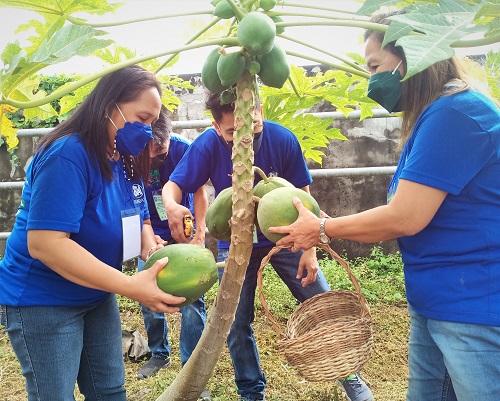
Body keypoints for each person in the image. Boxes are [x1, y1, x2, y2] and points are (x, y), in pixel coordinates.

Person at [269, 11, 500, 401]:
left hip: (471, 304)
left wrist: (323, 229)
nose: (370, 78)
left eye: (375, 65)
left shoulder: (456, 114)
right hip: (437, 299)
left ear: (411, 55)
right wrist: (330, 223)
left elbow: (405, 217)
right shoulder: (436, 115)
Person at [162, 92, 374, 401]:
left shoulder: (282, 139)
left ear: (259, 111)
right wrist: (170, 204)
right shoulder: (207, 144)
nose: (245, 137)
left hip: (289, 238)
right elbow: (174, 185)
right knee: (236, 324)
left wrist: (311, 249)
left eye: (253, 127)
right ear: (216, 127)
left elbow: (304, 199)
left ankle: (351, 380)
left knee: (321, 304)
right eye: (234, 132)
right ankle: (252, 393)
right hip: (236, 244)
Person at [0, 65, 186, 401]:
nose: (146, 131)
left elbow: (141, 216)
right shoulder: (67, 155)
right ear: (108, 106)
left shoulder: (124, 158)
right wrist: (131, 286)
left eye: (151, 123)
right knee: (54, 396)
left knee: (109, 391)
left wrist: (150, 248)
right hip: (44, 299)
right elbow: (46, 245)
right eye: (140, 118)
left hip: (97, 293)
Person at [134, 106, 211, 400]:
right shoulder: (134, 154)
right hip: (150, 235)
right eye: (149, 149)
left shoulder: (184, 150)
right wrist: (146, 236)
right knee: (146, 294)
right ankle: (158, 353)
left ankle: (190, 368)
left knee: (192, 302)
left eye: (160, 150)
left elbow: (201, 191)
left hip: (185, 234)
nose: (154, 155)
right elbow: (132, 197)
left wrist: (201, 230)